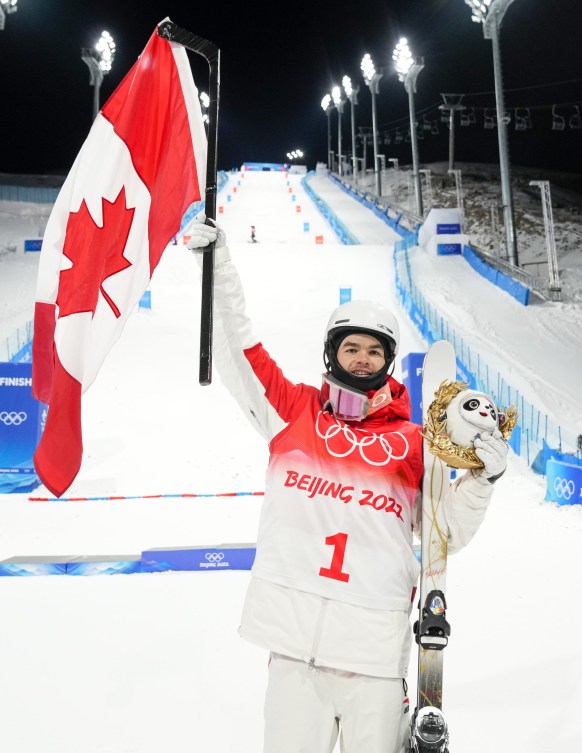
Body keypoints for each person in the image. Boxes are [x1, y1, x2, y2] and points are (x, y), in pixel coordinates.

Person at [187, 217, 508, 753]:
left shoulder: (413, 442)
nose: (363, 359)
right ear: (332, 353)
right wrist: (217, 267)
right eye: (352, 348)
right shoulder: (293, 414)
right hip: (294, 652)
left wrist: (481, 479)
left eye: (375, 351)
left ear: (388, 363)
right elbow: (239, 348)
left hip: (374, 660)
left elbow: (445, 533)